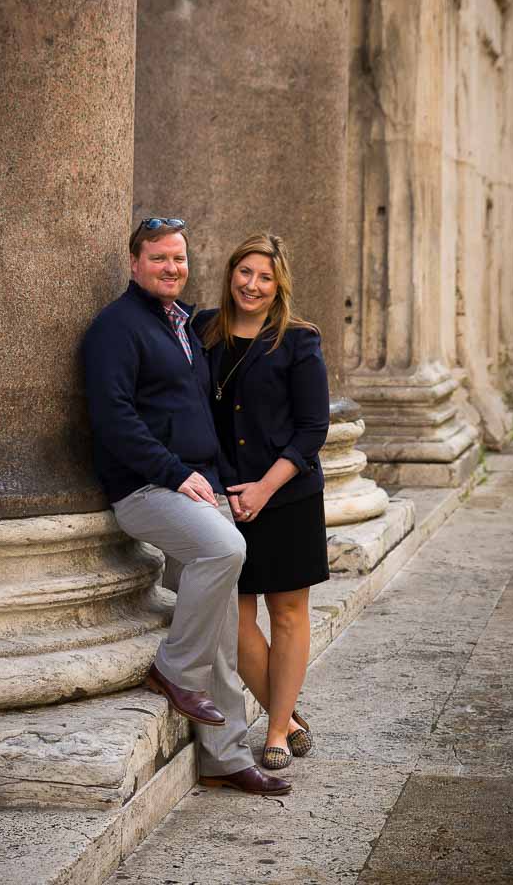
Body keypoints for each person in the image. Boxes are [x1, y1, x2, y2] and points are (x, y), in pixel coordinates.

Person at [83, 218, 291, 796]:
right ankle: (172, 669)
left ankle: (223, 755)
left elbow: (198, 416)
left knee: (224, 622)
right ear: (134, 263)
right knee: (226, 550)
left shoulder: (181, 326)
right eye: (158, 259)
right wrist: (174, 473)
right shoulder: (115, 329)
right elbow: (114, 420)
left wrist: (222, 482)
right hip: (144, 491)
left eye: (178, 259)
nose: (171, 268)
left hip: (196, 490)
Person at [194, 232, 330, 770]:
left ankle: (275, 730)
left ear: (279, 286)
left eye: (265, 277)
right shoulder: (204, 331)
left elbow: (313, 428)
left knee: (289, 612)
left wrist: (263, 489)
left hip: (287, 494)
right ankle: (290, 713)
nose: (252, 284)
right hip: (226, 495)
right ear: (230, 274)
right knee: (236, 618)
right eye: (245, 272)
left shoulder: (299, 340)